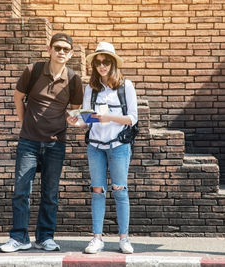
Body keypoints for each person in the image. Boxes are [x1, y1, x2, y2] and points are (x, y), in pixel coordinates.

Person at [0, 33, 83, 253]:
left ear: (71, 53)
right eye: (57, 48)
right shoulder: (33, 70)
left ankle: (45, 237)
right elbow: (18, 97)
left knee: (50, 193)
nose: (61, 52)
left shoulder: (73, 79)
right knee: (21, 190)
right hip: (29, 141)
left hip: (56, 143)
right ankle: (19, 238)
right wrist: (25, 123)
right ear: (49, 49)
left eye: (66, 49)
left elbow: (73, 110)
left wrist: (71, 119)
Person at [78, 42, 138, 254]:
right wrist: (74, 120)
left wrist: (108, 117)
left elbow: (132, 118)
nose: (102, 66)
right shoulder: (91, 88)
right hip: (95, 146)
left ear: (113, 63)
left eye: (106, 62)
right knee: (97, 191)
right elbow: (86, 120)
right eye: (98, 62)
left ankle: (124, 238)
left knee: (120, 190)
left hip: (119, 146)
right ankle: (97, 238)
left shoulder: (126, 86)